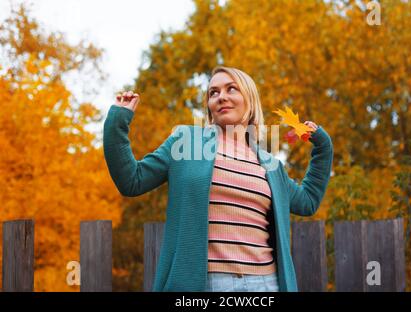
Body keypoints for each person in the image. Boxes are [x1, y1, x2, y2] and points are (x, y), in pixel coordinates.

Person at [103, 66, 333, 292]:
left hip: (266, 284)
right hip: (206, 285)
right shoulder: (187, 143)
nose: (221, 97)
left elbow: (308, 201)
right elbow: (132, 180)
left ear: (250, 100)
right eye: (214, 93)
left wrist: (323, 148)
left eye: (231, 89)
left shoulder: (270, 164)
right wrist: (117, 122)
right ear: (209, 107)